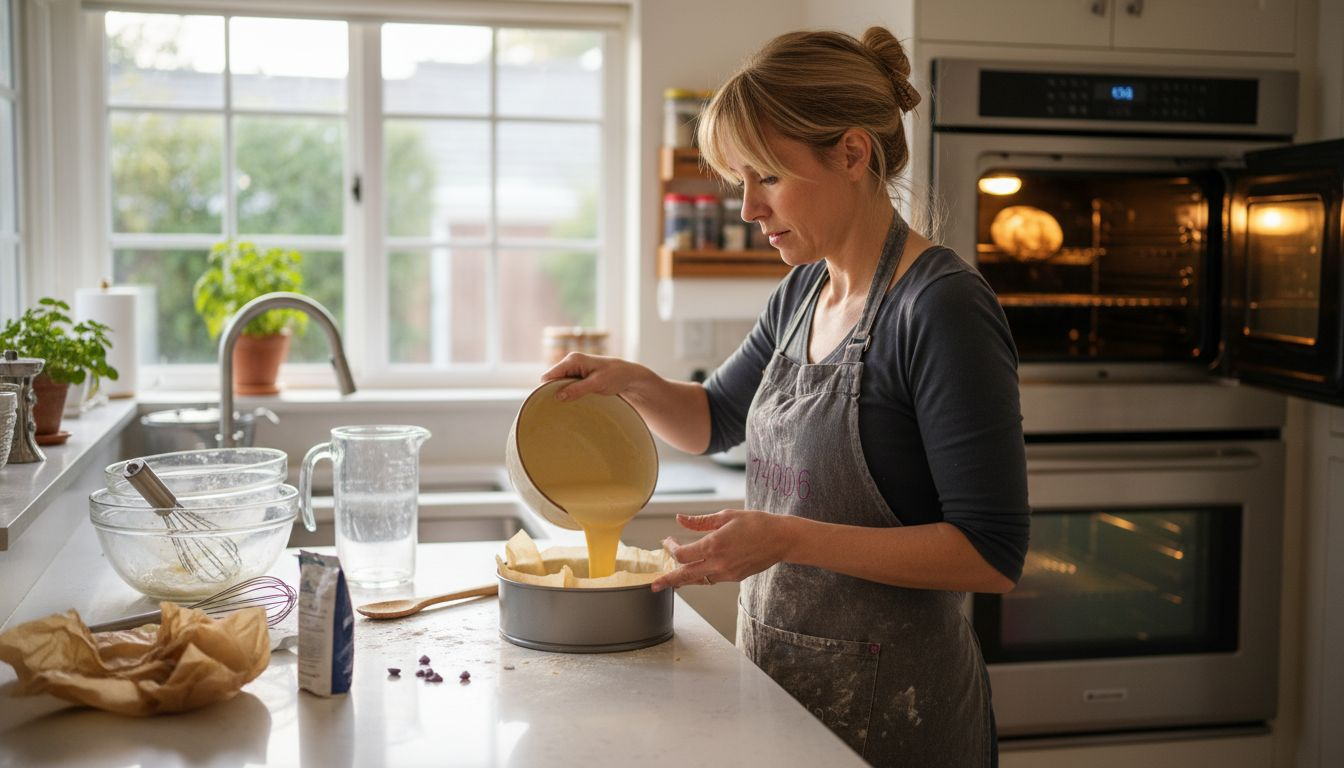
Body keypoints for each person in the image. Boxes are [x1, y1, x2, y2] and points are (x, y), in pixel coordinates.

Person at [542, 26, 1030, 767]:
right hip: (782, 695)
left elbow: (990, 554)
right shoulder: (805, 289)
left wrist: (788, 536)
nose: (747, 209)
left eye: (766, 177)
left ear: (853, 153)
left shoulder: (940, 307)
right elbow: (715, 420)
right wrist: (634, 384)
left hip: (901, 720)